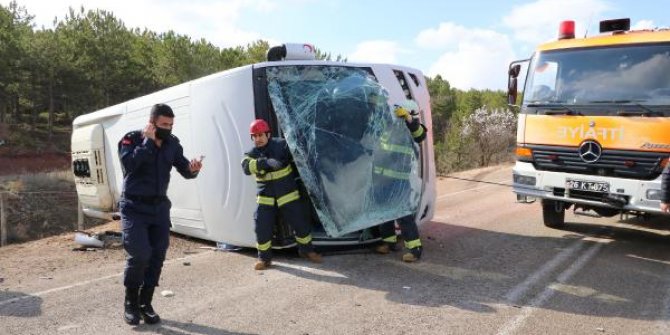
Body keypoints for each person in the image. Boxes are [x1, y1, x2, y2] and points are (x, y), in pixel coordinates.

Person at [117, 103, 203, 325]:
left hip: (159, 208)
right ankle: (131, 303)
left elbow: (184, 169)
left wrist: (193, 169)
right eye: (164, 124)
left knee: (157, 256)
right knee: (139, 254)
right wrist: (147, 142)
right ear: (152, 122)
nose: (168, 129)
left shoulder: (172, 144)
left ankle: (146, 303)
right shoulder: (132, 139)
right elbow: (130, 165)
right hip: (134, 207)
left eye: (171, 125)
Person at [241, 119, 322, 270]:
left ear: (268, 134)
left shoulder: (281, 145)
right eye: (254, 136)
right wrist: (264, 163)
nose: (257, 139)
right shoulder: (251, 153)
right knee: (261, 227)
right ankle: (264, 259)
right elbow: (245, 167)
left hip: (288, 194)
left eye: (260, 135)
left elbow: (299, 157)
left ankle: (307, 251)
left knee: (301, 223)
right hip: (266, 198)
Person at [373, 103, 428, 262]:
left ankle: (415, 249)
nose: (397, 115)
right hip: (382, 178)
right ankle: (388, 243)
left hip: (399, 180)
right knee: (384, 212)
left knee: (403, 214)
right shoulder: (389, 125)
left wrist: (409, 119)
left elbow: (420, 135)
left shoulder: (412, 127)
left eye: (401, 113)